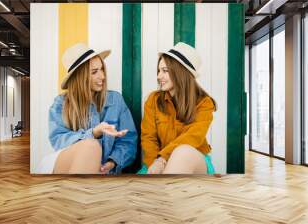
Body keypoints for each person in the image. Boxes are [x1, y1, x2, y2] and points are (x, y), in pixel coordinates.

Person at [39, 43, 137, 174]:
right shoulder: (60, 104)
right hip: (65, 165)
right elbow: (59, 141)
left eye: (102, 69)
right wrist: (93, 133)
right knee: (91, 145)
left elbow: (128, 141)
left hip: (102, 173)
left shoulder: (116, 100)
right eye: (94, 72)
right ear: (80, 76)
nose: (102, 76)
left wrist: (112, 162)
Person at [141, 42, 217, 174]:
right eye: (159, 71)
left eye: (165, 71)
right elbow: (148, 138)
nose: (159, 76)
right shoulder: (153, 100)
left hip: (192, 161)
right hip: (156, 162)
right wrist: (155, 163)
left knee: (182, 152)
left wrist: (163, 159)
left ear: (180, 72)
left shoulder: (205, 103)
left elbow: (192, 137)